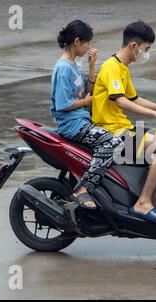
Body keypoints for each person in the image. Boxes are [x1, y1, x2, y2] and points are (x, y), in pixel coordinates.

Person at [92, 20, 156, 224]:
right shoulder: (111, 67)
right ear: (133, 46)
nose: (147, 54)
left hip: (123, 127)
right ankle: (144, 201)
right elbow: (121, 101)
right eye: (146, 49)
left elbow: (134, 98)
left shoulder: (122, 68)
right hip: (111, 131)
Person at [50, 20, 123, 209]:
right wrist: (87, 102)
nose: (89, 47)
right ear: (76, 42)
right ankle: (83, 188)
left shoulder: (74, 65)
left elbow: (89, 89)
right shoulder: (63, 68)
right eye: (87, 43)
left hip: (82, 120)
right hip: (72, 125)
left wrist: (92, 67)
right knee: (113, 143)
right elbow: (62, 104)